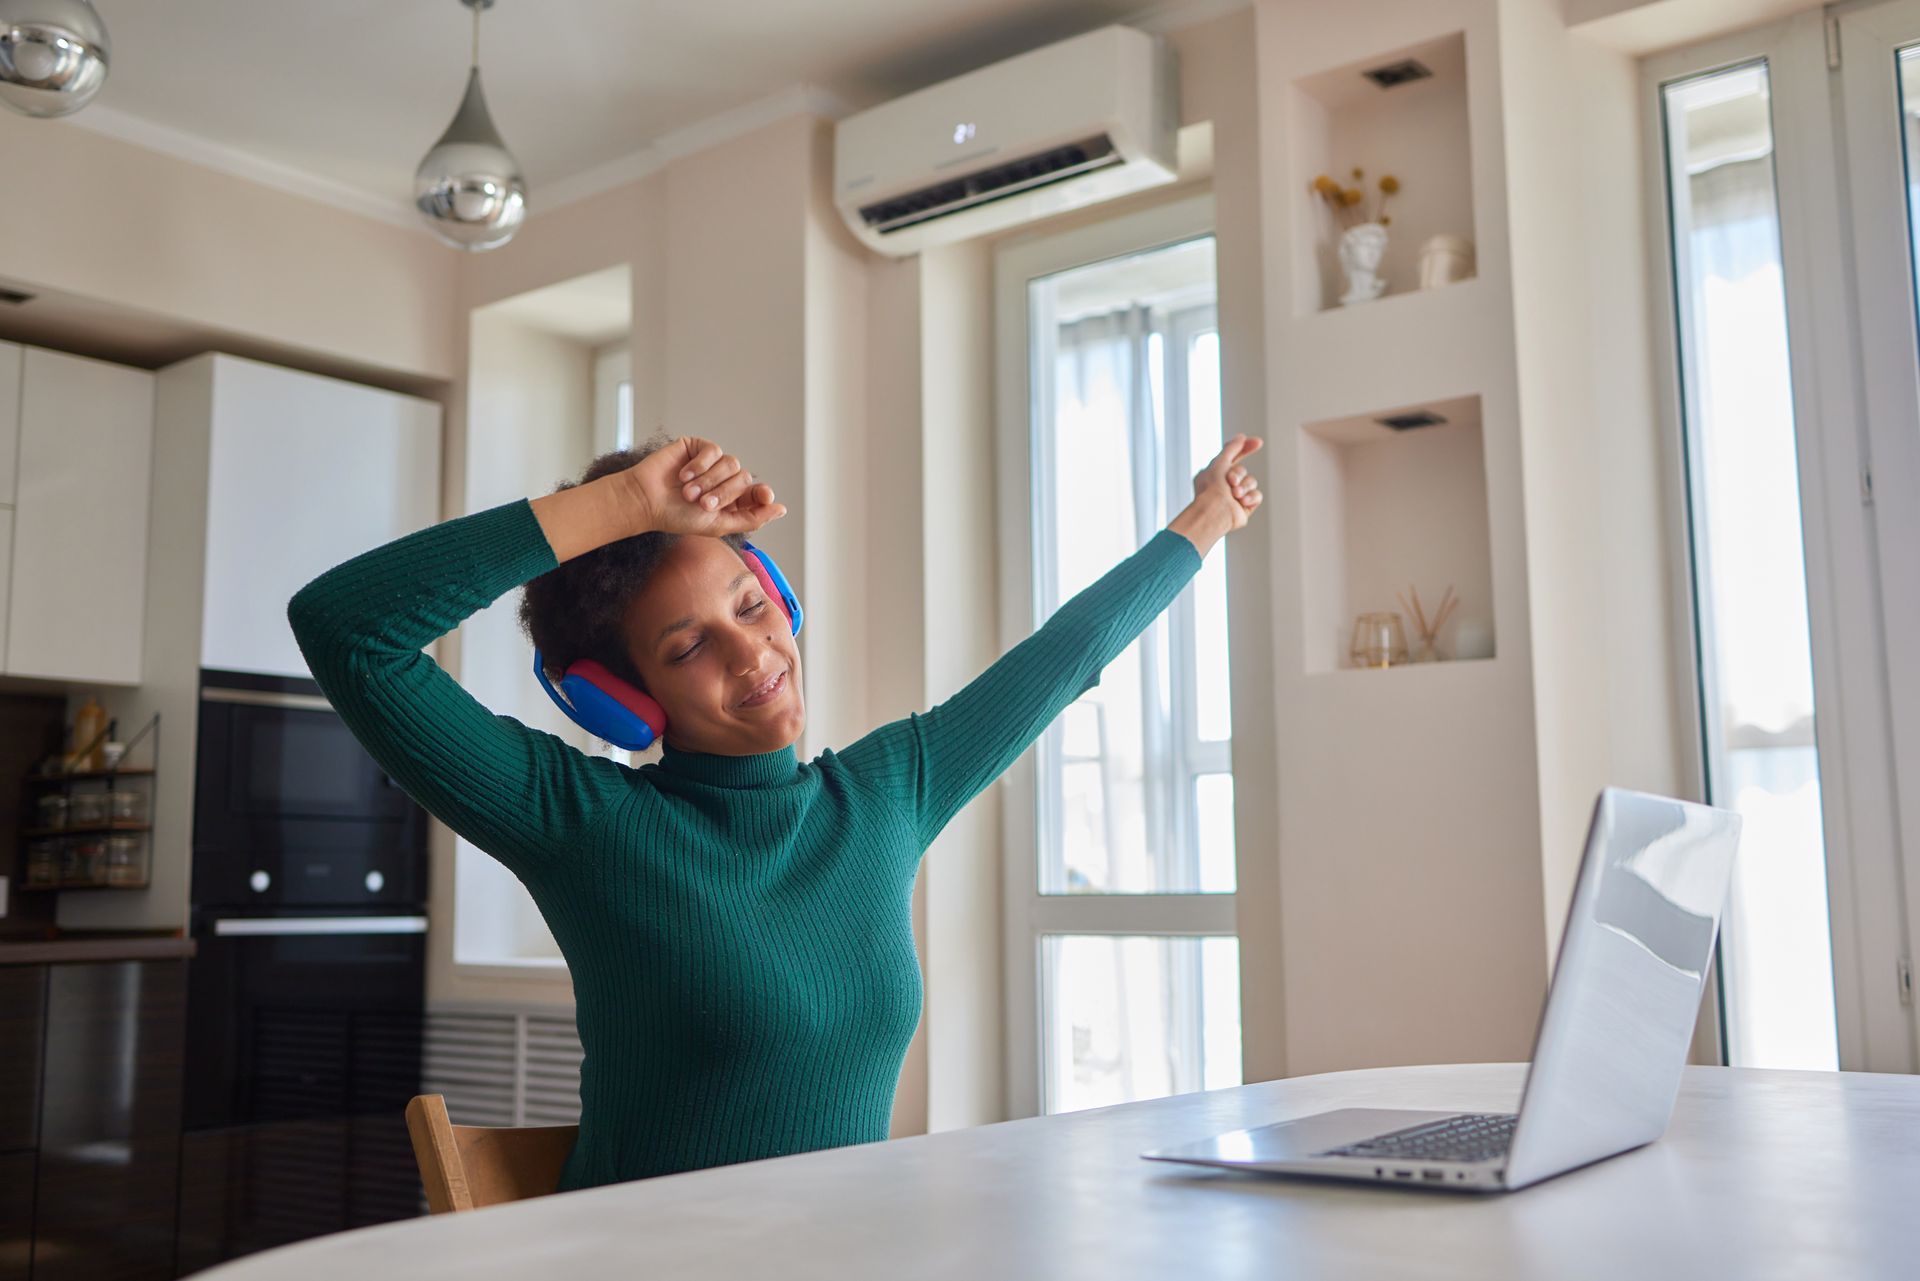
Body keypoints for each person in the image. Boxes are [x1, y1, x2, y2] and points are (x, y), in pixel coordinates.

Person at [287, 431, 1263, 1191]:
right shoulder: (584, 825)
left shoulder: (883, 795)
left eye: (750, 609)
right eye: (686, 647)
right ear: (620, 700)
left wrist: (1205, 519)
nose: (751, 656)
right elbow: (347, 630)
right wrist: (626, 501)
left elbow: (1066, 656)